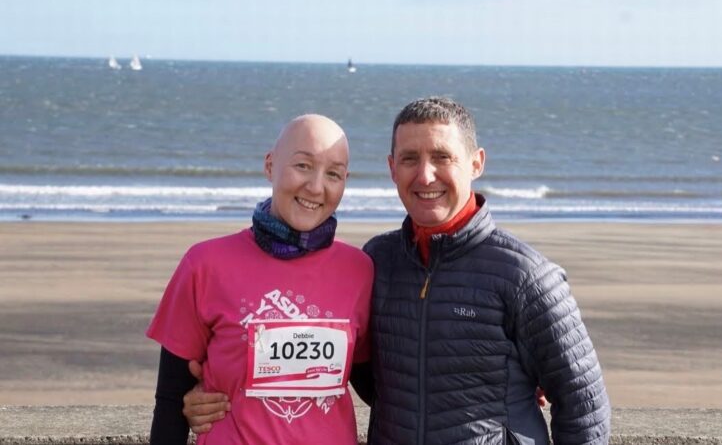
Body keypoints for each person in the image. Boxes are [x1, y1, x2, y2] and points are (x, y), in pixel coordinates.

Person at [184, 97, 611, 444]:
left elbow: (583, 406)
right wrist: (212, 391)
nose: (425, 175)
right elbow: (342, 363)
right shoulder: (378, 262)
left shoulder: (526, 275)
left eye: (442, 157)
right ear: (392, 168)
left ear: (476, 163)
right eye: (410, 158)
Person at [147, 114, 373, 444]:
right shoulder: (205, 265)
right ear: (270, 165)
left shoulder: (360, 271)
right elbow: (170, 401)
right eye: (303, 166)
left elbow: (383, 391)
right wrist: (190, 403)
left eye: (333, 174)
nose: (315, 186)